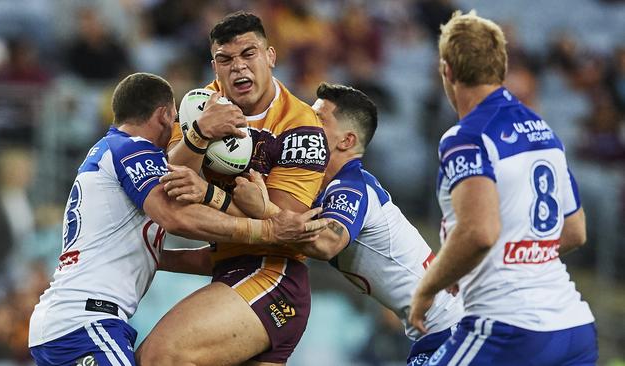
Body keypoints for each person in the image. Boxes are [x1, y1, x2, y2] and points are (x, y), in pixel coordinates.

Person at [27, 72, 325, 366]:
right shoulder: (130, 149)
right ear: (165, 114)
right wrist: (267, 229)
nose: (176, 130)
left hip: (71, 320)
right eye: (175, 122)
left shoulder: (110, 152)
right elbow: (175, 216)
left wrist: (160, 256)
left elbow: (178, 231)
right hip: (84, 322)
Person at [160, 83, 464, 365]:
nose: (306, 122)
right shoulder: (315, 194)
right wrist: (158, 257)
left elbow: (326, 243)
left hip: (450, 330)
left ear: (347, 140)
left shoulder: (352, 188)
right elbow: (246, 241)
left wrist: (262, 208)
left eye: (318, 118)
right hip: (436, 331)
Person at [136, 12, 329, 366]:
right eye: (225, 59)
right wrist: (199, 135)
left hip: (274, 278)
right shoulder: (199, 104)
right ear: (214, 66)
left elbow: (283, 226)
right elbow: (167, 195)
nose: (238, 68)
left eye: (248, 54)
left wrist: (210, 195)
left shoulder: (301, 127)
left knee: (160, 356)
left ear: (270, 56)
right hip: (230, 272)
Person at [409, 11, 597, 365]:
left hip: (509, 330)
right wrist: (515, 256)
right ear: (501, 67)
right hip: (573, 328)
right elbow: (574, 231)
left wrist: (427, 288)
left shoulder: (466, 137)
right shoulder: (545, 132)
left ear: (446, 71)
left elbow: (479, 232)